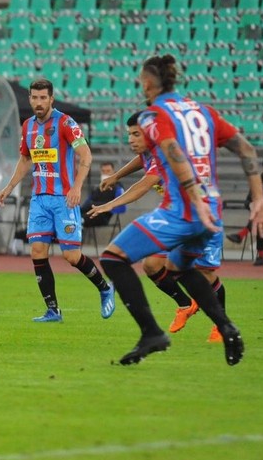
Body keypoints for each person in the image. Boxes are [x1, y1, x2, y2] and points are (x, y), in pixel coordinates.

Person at [98, 54, 263, 366]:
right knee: (180, 268)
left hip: (182, 212)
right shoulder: (203, 111)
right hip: (212, 211)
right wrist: (258, 199)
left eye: (141, 82)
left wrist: (192, 197)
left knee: (113, 258)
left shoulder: (153, 115)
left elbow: (173, 151)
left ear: (148, 83)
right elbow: (247, 149)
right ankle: (227, 327)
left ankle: (151, 332)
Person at [90, 112, 225, 343]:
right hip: (174, 217)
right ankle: (185, 304)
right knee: (152, 265)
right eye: (129, 134)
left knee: (205, 274)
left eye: (136, 134)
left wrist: (108, 205)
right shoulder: (149, 152)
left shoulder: (164, 152)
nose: (131, 139)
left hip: (199, 216)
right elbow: (141, 161)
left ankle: (221, 326)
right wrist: (116, 175)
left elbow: (143, 185)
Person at [0, 78, 116, 323]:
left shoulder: (65, 123)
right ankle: (53, 310)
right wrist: (9, 187)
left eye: (43, 98)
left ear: (51, 99)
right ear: (29, 98)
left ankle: (104, 287)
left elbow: (86, 155)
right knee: (37, 252)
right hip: (39, 199)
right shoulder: (27, 126)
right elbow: (26, 160)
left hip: (64, 200)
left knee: (71, 256)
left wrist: (77, 187)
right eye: (34, 97)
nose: (38, 102)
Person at [80, 161, 125, 227]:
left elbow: (122, 208)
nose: (105, 173)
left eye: (108, 171)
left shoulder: (118, 188)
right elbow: (85, 205)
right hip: (89, 213)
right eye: (103, 171)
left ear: (114, 172)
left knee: (90, 208)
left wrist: (104, 206)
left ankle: (80, 221)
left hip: (103, 216)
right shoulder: (96, 188)